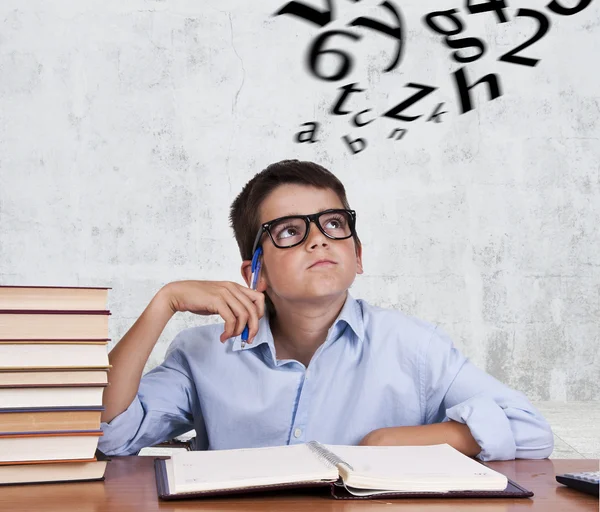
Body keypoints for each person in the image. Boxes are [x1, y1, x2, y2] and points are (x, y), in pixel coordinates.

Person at [98, 159, 553, 461]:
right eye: (290, 231)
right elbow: (109, 434)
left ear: (357, 254)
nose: (319, 239)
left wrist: (386, 443)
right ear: (255, 272)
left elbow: (531, 431)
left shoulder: (414, 347)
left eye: (334, 224)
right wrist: (164, 302)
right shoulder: (202, 351)